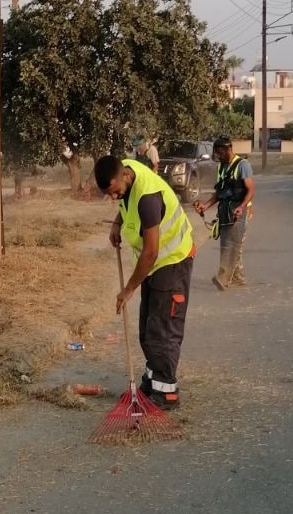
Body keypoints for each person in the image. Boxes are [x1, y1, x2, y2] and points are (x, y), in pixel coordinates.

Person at [94, 154, 195, 410]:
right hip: (155, 265)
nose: (114, 198)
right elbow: (125, 203)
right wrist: (117, 223)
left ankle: (167, 392)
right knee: (148, 329)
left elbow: (150, 251)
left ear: (125, 176)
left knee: (162, 330)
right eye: (110, 195)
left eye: (115, 192)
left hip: (172, 261)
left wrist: (128, 289)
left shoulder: (148, 199)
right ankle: (153, 383)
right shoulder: (127, 171)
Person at [193, 137, 254, 291]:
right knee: (227, 243)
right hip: (225, 210)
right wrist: (205, 206)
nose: (218, 156)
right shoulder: (222, 167)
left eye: (220, 153)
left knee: (233, 244)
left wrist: (241, 207)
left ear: (228, 149)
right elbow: (219, 192)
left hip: (239, 210)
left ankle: (223, 278)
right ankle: (238, 277)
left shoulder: (243, 165)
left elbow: (251, 190)